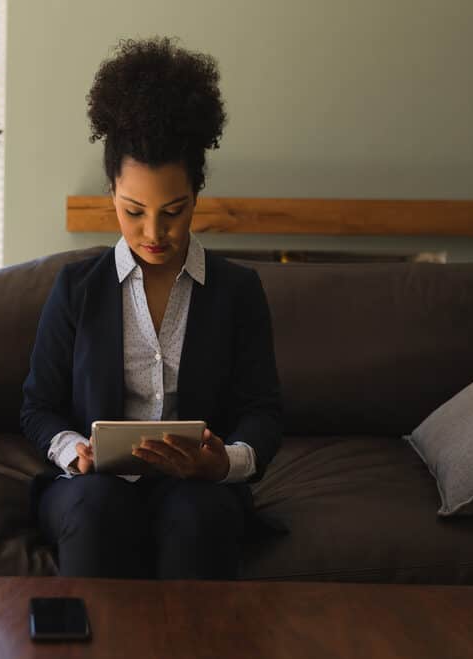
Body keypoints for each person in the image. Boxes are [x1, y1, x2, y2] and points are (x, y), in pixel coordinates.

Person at [20, 36, 282, 580]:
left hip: (197, 491)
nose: (154, 233)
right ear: (111, 192)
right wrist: (76, 453)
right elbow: (37, 407)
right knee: (96, 508)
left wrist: (223, 462)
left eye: (174, 211)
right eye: (133, 211)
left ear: (197, 195)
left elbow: (264, 413)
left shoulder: (238, 292)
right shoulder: (76, 289)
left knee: (198, 514)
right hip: (93, 490)